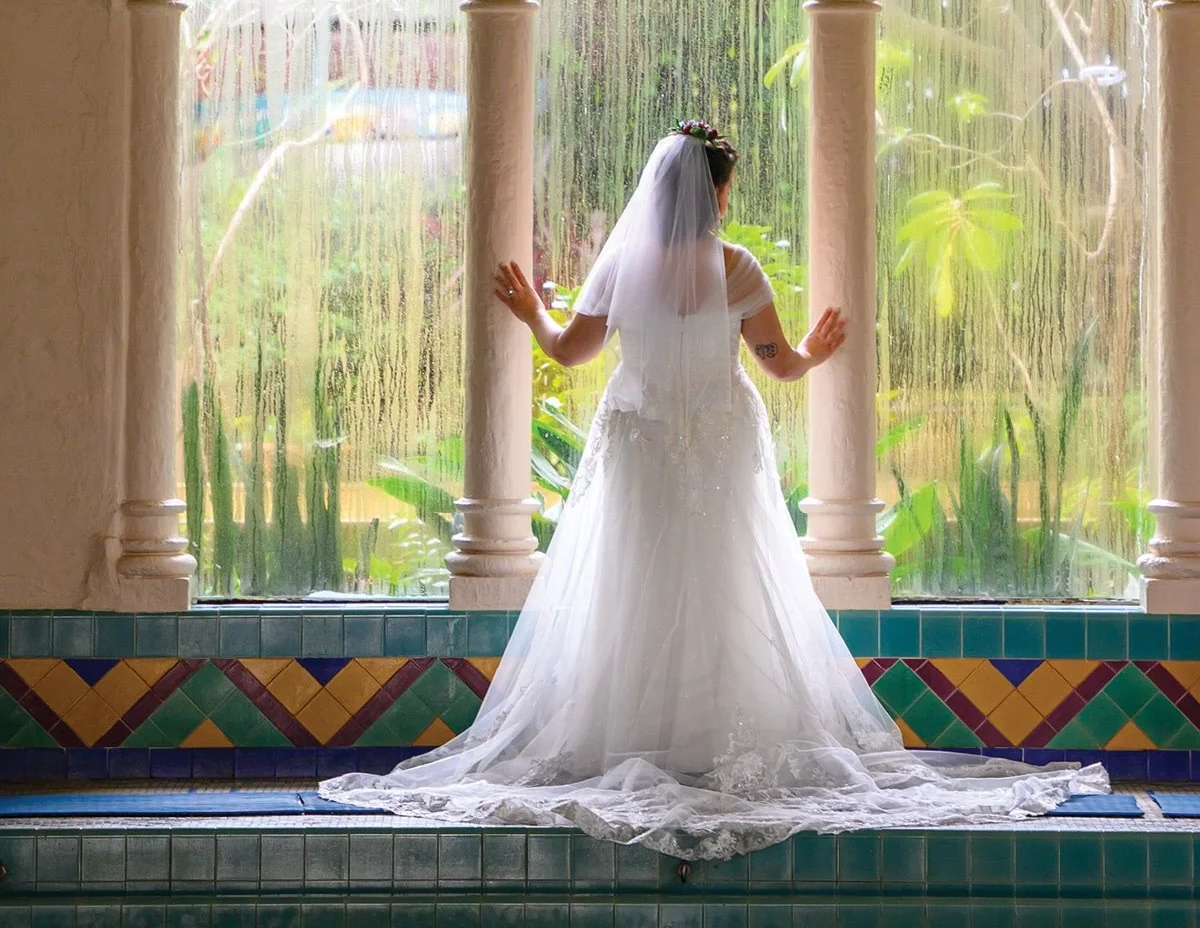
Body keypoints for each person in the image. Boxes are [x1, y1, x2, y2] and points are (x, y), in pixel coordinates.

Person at [321, 122, 1107, 859]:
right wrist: (816, 349)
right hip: (721, 447)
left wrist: (532, 310)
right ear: (719, 194)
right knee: (728, 582)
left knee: (634, 586)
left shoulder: (621, 265)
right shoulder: (738, 268)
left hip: (640, 446)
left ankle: (634, 738)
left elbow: (568, 353)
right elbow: (780, 365)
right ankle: (710, 739)